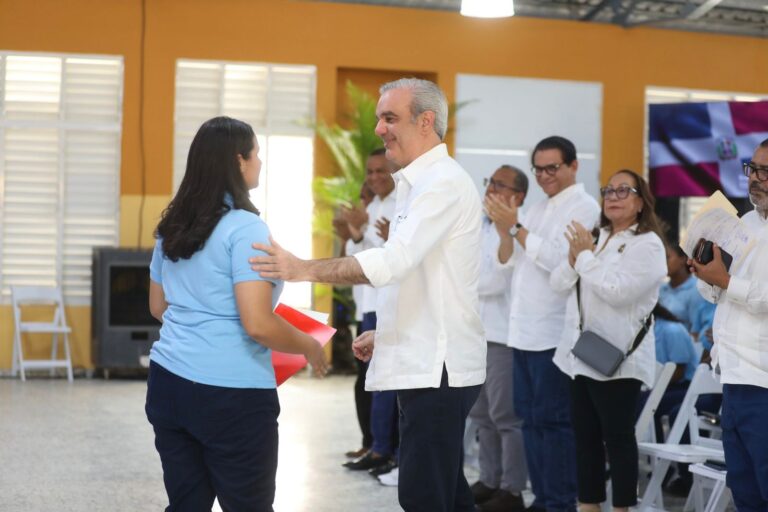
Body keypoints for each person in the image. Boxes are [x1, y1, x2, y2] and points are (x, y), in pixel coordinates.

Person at [250, 78, 485, 512]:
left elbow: (391, 263)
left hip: (439, 369)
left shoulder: (442, 184)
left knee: (423, 497)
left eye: (390, 118)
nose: (379, 128)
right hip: (427, 359)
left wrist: (303, 268)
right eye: (380, 118)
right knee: (448, 494)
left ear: (426, 121)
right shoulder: (415, 184)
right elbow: (425, 276)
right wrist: (388, 331)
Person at [145, 116, 328, 511]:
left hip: (168, 384)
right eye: (256, 153)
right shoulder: (246, 228)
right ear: (238, 161)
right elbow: (258, 325)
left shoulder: (172, 224)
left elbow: (158, 307)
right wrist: (309, 346)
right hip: (232, 397)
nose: (260, 161)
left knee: (186, 504)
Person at [549, 169, 666, 512]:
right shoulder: (596, 236)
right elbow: (558, 284)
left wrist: (584, 257)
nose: (612, 197)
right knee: (584, 438)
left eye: (623, 191)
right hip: (580, 353)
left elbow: (617, 291)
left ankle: (622, 508)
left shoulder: (648, 245)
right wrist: (576, 258)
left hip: (619, 359)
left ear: (641, 202)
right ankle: (588, 506)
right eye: (608, 190)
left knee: (617, 440)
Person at [502, 135, 601, 512]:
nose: (544, 176)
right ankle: (542, 499)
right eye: (538, 169)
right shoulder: (538, 208)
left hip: (554, 332)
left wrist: (518, 230)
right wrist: (510, 230)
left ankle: (560, 502)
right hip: (523, 330)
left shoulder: (586, 208)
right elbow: (517, 265)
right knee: (529, 421)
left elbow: (563, 265)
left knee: (555, 423)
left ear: (574, 166)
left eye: (552, 168)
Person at [693, 139, 768, 512]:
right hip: (733, 375)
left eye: (764, 171)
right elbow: (716, 295)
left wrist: (726, 283)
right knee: (745, 488)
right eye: (751, 169)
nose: (755, 178)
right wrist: (706, 273)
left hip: (764, 380)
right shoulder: (745, 223)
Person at [469, 165, 529, 512]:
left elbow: (493, 283)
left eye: (500, 184)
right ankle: (489, 479)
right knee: (481, 415)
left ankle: (512, 489)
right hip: (475, 333)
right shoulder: (479, 228)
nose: (491, 188)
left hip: (504, 336)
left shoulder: (519, 231)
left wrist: (464, 281)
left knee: (505, 416)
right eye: (489, 181)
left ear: (517, 196)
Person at [342, 148, 400, 475]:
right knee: (370, 380)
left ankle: (384, 449)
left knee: (384, 382)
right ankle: (376, 446)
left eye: (381, 171)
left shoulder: (401, 204)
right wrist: (358, 233)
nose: (375, 177)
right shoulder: (375, 205)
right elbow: (357, 257)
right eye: (370, 171)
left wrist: (390, 240)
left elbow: (397, 258)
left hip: (386, 305)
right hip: (368, 302)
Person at [334, 182, 375, 459]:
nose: (364, 202)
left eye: (367, 196)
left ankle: (379, 446)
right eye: (362, 196)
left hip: (378, 311)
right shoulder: (362, 226)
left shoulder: (382, 220)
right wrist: (346, 236)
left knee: (371, 384)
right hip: (365, 310)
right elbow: (342, 267)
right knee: (362, 383)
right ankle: (369, 442)